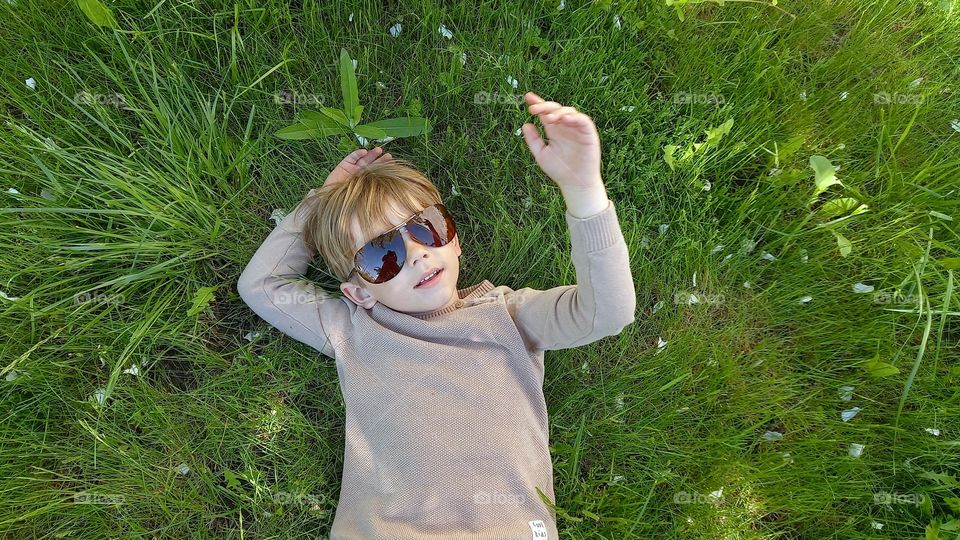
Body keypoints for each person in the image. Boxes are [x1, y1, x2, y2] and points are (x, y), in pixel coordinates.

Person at [237, 91, 636, 539]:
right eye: (381, 253)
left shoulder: (510, 315)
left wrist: (584, 191)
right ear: (357, 292)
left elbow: (608, 311)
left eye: (428, 227)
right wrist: (320, 203)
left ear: (455, 238)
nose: (416, 254)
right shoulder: (353, 329)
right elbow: (262, 286)